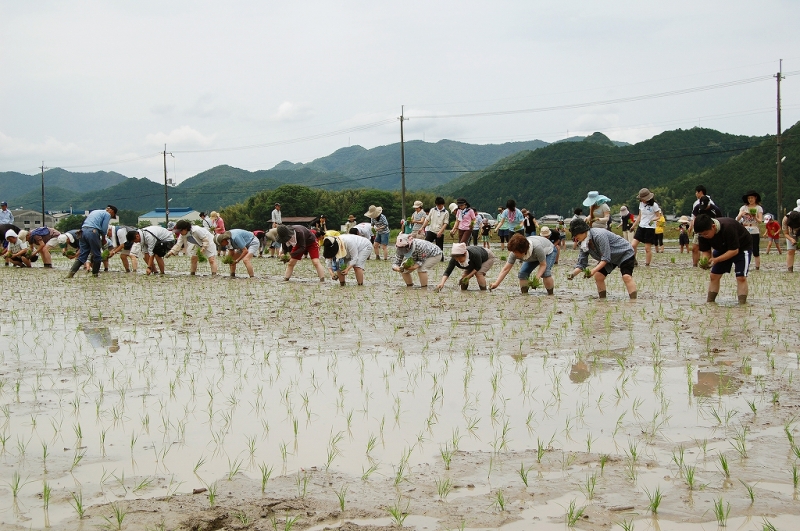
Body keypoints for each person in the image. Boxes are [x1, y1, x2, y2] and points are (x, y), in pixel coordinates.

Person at [567, 218, 638, 300]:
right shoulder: (583, 243)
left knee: (626, 277)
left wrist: (593, 271)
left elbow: (605, 258)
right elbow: (582, 263)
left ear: (583, 231)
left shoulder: (599, 235)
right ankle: (602, 300)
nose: (575, 238)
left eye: (576, 235)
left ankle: (633, 301)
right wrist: (573, 274)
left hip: (624, 253)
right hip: (610, 257)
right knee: (598, 276)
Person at [694, 214, 752, 304]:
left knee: (741, 277)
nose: (704, 236)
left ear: (713, 227)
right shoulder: (702, 235)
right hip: (722, 248)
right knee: (714, 276)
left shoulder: (728, 227)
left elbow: (734, 251)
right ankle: (710, 302)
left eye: (706, 234)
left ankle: (742, 304)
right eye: (701, 234)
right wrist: (704, 261)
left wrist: (716, 260)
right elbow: (706, 252)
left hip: (741, 248)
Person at [489, 233, 556, 294]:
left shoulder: (537, 248)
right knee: (523, 274)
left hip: (549, 252)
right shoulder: (514, 252)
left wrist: (536, 279)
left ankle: (550, 295)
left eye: (516, 252)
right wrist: (496, 283)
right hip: (534, 256)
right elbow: (506, 269)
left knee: (545, 273)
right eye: (513, 252)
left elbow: (543, 265)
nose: (514, 254)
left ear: (523, 250)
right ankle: (524, 294)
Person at [67, 205, 118, 278]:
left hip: (82, 231)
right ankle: (95, 274)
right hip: (92, 232)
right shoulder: (107, 214)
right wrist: (103, 238)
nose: (111, 217)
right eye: (112, 216)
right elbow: (104, 228)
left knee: (82, 255)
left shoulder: (94, 211)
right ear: (112, 211)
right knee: (97, 254)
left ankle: (71, 273)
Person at [689, 186, 721, 267]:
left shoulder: (715, 209)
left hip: (711, 230)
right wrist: (692, 227)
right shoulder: (697, 207)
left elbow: (719, 221)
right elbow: (694, 218)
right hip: (699, 230)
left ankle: (713, 264)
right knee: (697, 248)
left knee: (713, 249)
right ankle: (696, 265)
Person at [630, 188, 661, 267]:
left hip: (650, 228)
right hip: (641, 226)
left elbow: (659, 216)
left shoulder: (654, 205)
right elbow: (640, 216)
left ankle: (647, 264)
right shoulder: (641, 204)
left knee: (647, 248)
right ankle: (633, 261)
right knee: (633, 245)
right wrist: (633, 226)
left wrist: (652, 220)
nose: (641, 200)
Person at [736, 190, 763, 270]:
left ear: (755, 198)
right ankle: (743, 265)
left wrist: (754, 216)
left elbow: (760, 221)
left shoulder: (758, 208)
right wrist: (741, 214)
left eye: (752, 198)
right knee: (743, 248)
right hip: (745, 229)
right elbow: (737, 219)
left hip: (754, 229)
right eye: (749, 198)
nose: (750, 200)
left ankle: (757, 267)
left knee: (755, 249)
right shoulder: (743, 208)